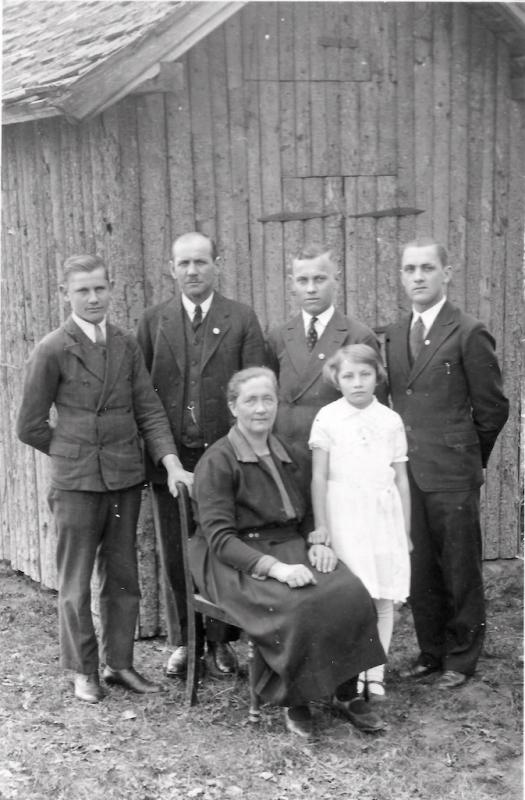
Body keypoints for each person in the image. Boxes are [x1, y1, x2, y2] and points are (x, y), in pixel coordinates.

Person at [17, 254, 190, 704]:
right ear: (66, 295)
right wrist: (73, 451)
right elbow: (29, 425)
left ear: (111, 289)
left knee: (123, 575)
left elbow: (148, 409)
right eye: (83, 290)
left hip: (123, 478)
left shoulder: (125, 344)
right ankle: (84, 670)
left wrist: (170, 461)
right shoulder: (53, 348)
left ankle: (120, 664)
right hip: (76, 484)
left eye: (99, 288)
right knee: (75, 583)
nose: (93, 298)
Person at [189, 366, 387, 740]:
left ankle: (345, 691)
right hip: (234, 558)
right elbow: (220, 538)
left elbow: (307, 511)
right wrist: (276, 569)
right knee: (298, 605)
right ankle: (295, 700)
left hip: (288, 543)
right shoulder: (217, 461)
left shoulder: (289, 452)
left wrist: (317, 542)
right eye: (251, 400)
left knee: (350, 591)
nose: (261, 408)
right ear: (233, 407)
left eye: (268, 399)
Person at [137, 232, 266, 679]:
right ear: (171, 269)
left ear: (217, 264)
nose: (192, 271)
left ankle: (221, 641)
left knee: (222, 546)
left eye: (201, 262)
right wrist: (165, 456)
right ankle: (185, 642)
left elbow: (254, 389)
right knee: (177, 553)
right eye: (184, 263)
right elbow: (144, 397)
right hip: (171, 460)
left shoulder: (241, 319)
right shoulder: (153, 322)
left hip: (224, 460)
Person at [385, 238, 509, 688]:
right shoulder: (395, 333)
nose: (418, 277)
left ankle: (460, 658)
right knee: (420, 567)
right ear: (402, 276)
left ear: (447, 273)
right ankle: (431, 652)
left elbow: (493, 408)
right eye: (410, 269)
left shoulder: (468, 331)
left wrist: (468, 457)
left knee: (459, 567)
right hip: (408, 472)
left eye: (427, 268)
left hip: (453, 473)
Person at [309, 344, 412, 701]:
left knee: (382, 596)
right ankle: (351, 672)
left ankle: (376, 672)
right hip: (344, 515)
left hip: (382, 516)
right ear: (336, 379)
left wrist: (405, 531)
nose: (357, 383)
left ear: (377, 376)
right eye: (349, 376)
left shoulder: (390, 420)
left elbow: (401, 479)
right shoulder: (327, 417)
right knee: (353, 595)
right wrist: (322, 525)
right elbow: (319, 477)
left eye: (365, 375)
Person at [266, 245, 381, 494]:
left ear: (336, 280)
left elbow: (374, 410)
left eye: (319, 279)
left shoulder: (358, 335)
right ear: (291, 284)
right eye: (302, 280)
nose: (311, 288)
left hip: (340, 462)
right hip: (287, 460)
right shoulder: (278, 337)